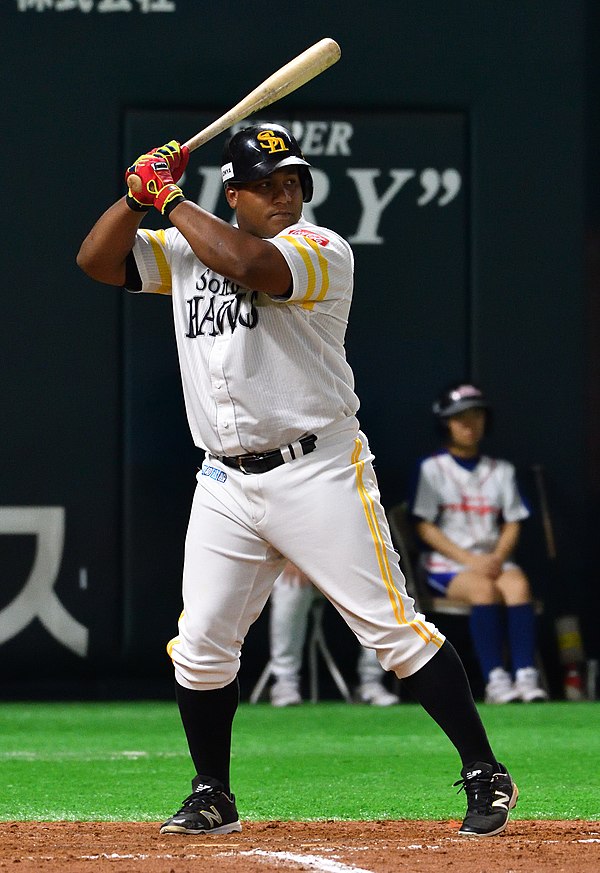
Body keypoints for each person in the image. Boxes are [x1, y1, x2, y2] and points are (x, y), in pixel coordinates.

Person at [77, 125, 518, 838]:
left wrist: (171, 197)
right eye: (267, 184)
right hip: (224, 478)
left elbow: (250, 265)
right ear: (236, 194)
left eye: (293, 182)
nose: (286, 195)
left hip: (317, 467)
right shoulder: (189, 244)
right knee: (202, 645)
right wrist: (135, 197)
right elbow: (96, 260)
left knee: (393, 631)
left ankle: (484, 769)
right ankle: (212, 790)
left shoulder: (320, 249)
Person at [410, 382, 548, 704]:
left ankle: (526, 675)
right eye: (461, 418)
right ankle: (495, 680)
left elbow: (514, 521)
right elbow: (424, 526)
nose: (469, 424)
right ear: (446, 422)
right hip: (447, 564)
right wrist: (470, 561)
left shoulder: (500, 470)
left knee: (518, 586)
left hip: (492, 558)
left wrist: (497, 557)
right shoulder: (433, 468)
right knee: (482, 589)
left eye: (476, 416)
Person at [269, 562, 400, 707]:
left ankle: (371, 682)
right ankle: (285, 680)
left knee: (376, 590)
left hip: (349, 566)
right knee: (290, 585)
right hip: (303, 563)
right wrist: (291, 558)